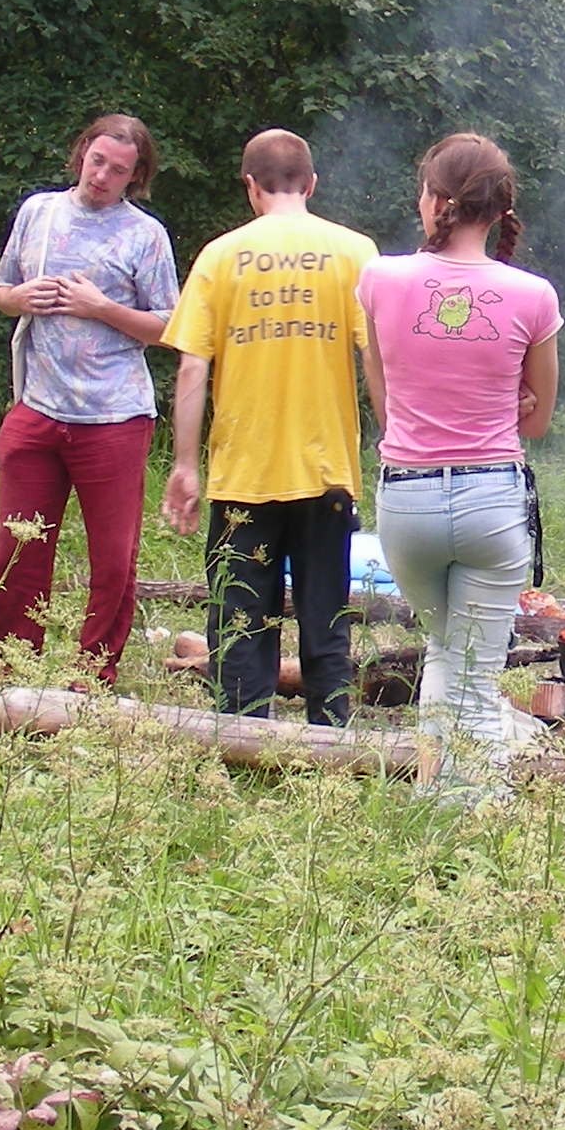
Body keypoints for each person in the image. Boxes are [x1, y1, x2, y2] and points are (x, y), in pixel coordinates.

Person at [356, 133, 562, 799]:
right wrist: (507, 397)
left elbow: (386, 403)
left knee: (446, 648)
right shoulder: (533, 295)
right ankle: (480, 807)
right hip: (490, 502)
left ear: (434, 199)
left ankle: (434, 796)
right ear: (502, 210)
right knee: (473, 670)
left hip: (407, 500)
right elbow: (537, 421)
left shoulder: (380, 279)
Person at [160, 130, 378, 725]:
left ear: (251, 187)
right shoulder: (356, 252)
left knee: (240, 621)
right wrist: (395, 442)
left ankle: (240, 740)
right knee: (325, 616)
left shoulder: (220, 256)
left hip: (243, 475)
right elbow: (378, 359)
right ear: (311, 184)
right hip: (327, 472)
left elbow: (192, 368)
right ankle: (332, 739)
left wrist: (185, 465)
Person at [0, 113, 179, 684]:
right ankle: (8, 670)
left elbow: (169, 327)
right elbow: (2, 291)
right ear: (81, 153)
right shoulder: (39, 212)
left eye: (118, 170)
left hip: (114, 416)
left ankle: (92, 677)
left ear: (135, 176)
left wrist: (103, 308)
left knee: (113, 559)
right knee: (17, 548)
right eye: (97, 161)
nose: (102, 176)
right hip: (38, 407)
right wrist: (20, 297)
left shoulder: (145, 234)